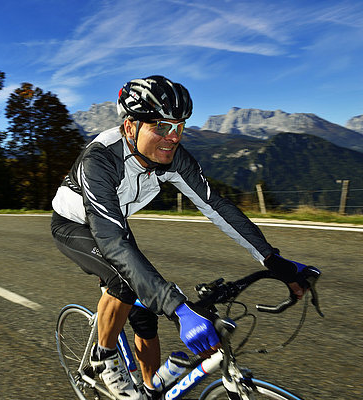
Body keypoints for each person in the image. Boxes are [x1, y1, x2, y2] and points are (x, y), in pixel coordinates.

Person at [51, 75, 315, 400]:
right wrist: (178, 308)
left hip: (114, 224)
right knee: (125, 281)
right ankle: (102, 356)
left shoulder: (173, 158)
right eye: (161, 127)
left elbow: (215, 206)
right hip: (75, 224)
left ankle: (149, 391)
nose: (173, 138)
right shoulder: (101, 159)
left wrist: (272, 259)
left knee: (145, 314)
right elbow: (111, 241)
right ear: (130, 126)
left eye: (179, 126)